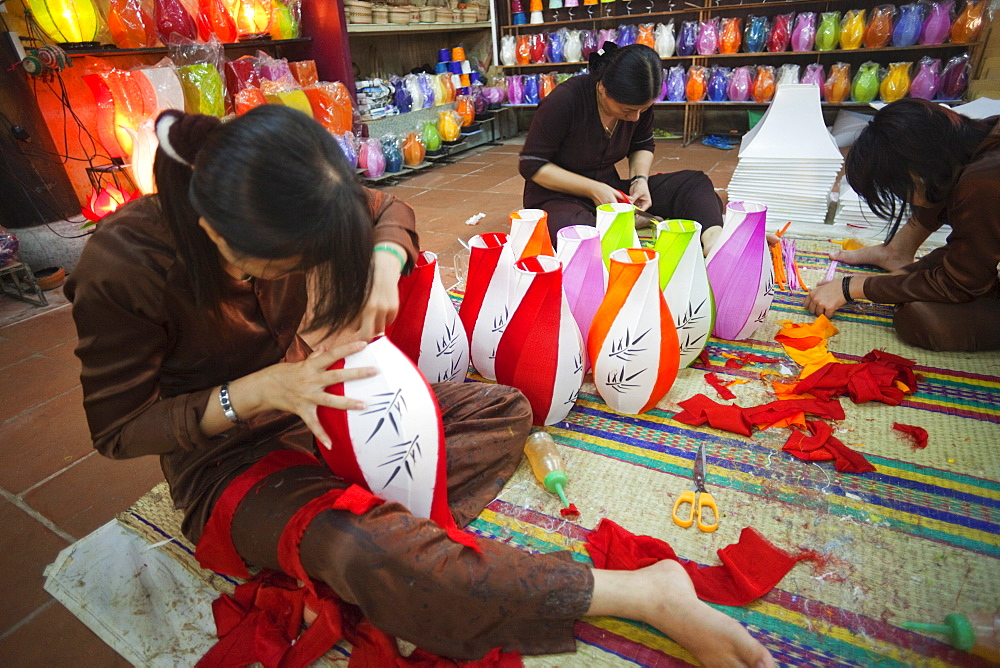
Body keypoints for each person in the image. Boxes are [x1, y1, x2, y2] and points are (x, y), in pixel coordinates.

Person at [66, 105, 773, 667]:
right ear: (218, 235)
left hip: (320, 404)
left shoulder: (285, 185)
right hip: (228, 458)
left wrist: (379, 268)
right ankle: (643, 594)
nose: (293, 280)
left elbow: (388, 211)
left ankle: (376, 536)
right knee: (375, 558)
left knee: (506, 410)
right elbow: (119, 430)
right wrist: (260, 391)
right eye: (280, 269)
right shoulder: (122, 267)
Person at [804, 99, 1000, 352]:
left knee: (921, 318)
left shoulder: (983, 183)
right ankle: (894, 253)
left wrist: (854, 286)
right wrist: (901, 277)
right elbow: (966, 250)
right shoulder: (975, 138)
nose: (901, 199)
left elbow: (960, 283)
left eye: (897, 190)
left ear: (915, 174)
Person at [519, 42, 725, 253]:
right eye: (627, 110)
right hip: (559, 196)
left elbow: (642, 144)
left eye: (642, 110)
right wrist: (592, 189)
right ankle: (619, 224)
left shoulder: (638, 104)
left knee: (694, 184)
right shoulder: (565, 101)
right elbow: (532, 165)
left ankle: (713, 242)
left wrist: (639, 180)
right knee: (574, 231)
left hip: (610, 191)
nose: (635, 117)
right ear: (602, 88)